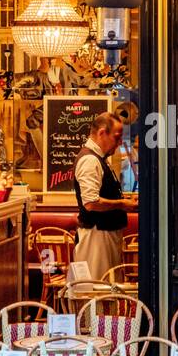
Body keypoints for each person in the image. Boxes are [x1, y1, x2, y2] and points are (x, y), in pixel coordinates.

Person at [72, 112, 136, 281]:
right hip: (96, 238)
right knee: (97, 291)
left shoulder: (98, 159)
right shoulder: (90, 160)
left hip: (103, 235)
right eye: (117, 137)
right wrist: (122, 203)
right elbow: (91, 203)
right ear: (102, 133)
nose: (120, 142)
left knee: (106, 291)